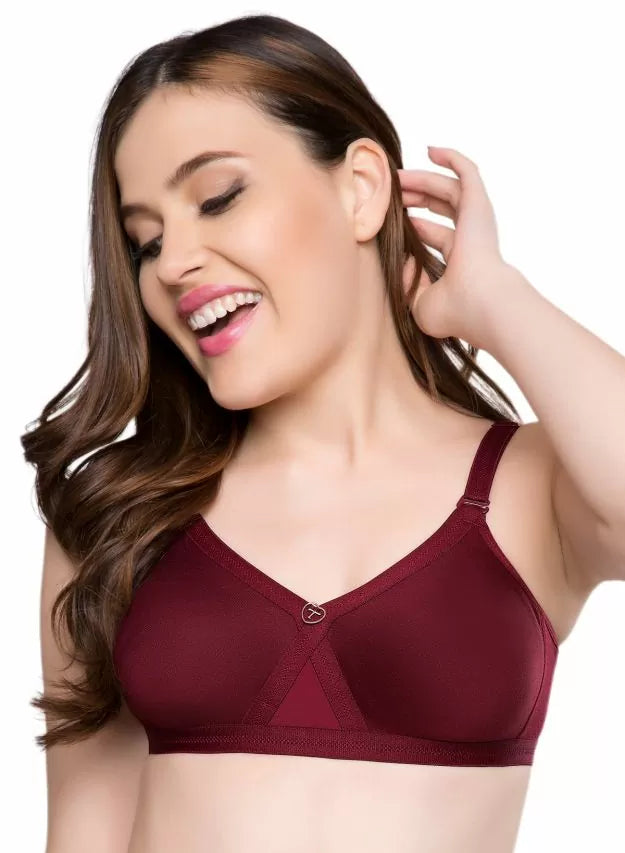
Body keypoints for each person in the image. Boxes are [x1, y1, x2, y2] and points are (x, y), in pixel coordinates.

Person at [22, 13, 625, 853]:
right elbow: (82, 834)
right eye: (146, 241)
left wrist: (495, 301)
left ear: (361, 189)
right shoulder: (118, 514)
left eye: (217, 198)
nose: (173, 262)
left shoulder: (529, 486)